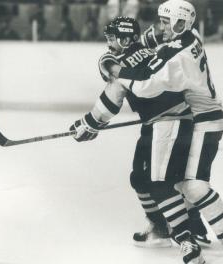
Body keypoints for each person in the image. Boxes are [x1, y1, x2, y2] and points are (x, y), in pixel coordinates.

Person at [106, 1, 223, 263]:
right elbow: (158, 39)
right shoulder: (191, 35)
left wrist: (114, 68)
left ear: (180, 23)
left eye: (165, 22)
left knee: (190, 186)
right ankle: (211, 236)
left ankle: (222, 242)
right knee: (180, 181)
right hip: (203, 119)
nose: (161, 27)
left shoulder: (177, 56)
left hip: (202, 122)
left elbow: (143, 86)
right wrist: (142, 40)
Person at [70, 16, 206, 264]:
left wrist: (89, 123)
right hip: (163, 122)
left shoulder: (115, 61)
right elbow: (155, 40)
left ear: (125, 38)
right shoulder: (150, 48)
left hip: (169, 123)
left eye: (112, 39)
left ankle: (187, 236)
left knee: (160, 182)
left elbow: (115, 92)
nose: (108, 44)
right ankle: (162, 226)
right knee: (140, 177)